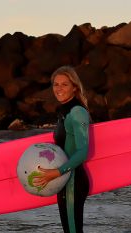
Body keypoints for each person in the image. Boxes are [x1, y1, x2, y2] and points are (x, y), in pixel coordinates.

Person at [33, 66, 91, 233]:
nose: (59, 89)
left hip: (72, 182)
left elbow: (82, 152)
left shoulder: (77, 112)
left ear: (74, 87)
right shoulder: (64, 112)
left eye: (64, 84)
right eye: (56, 84)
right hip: (65, 181)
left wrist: (56, 172)